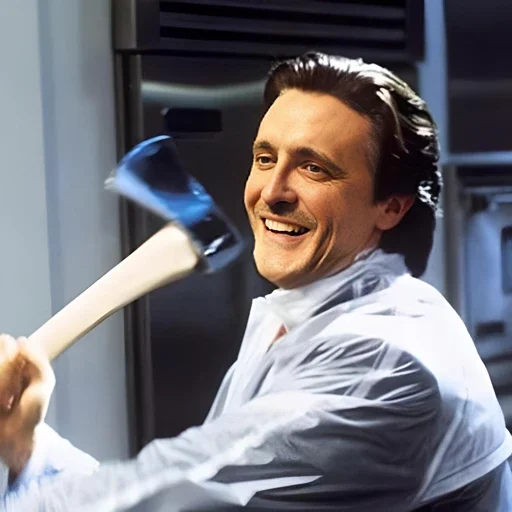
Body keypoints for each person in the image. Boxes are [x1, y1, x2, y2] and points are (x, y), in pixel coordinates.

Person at [0, 52, 511, 511]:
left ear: (391, 206)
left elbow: (172, 499)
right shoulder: (299, 314)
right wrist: (25, 444)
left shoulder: (385, 361)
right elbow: (185, 483)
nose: (271, 192)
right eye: (265, 159)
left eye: (314, 168)